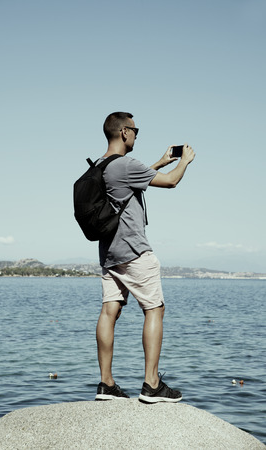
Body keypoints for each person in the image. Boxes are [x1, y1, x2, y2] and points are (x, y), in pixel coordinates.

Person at [95, 112, 195, 403]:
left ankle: (106, 384)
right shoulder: (126, 164)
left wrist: (160, 162)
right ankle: (152, 384)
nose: (137, 135)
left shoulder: (103, 166)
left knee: (108, 312)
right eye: (136, 130)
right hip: (134, 250)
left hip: (109, 253)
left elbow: (129, 184)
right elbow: (171, 183)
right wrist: (184, 161)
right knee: (155, 309)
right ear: (125, 132)